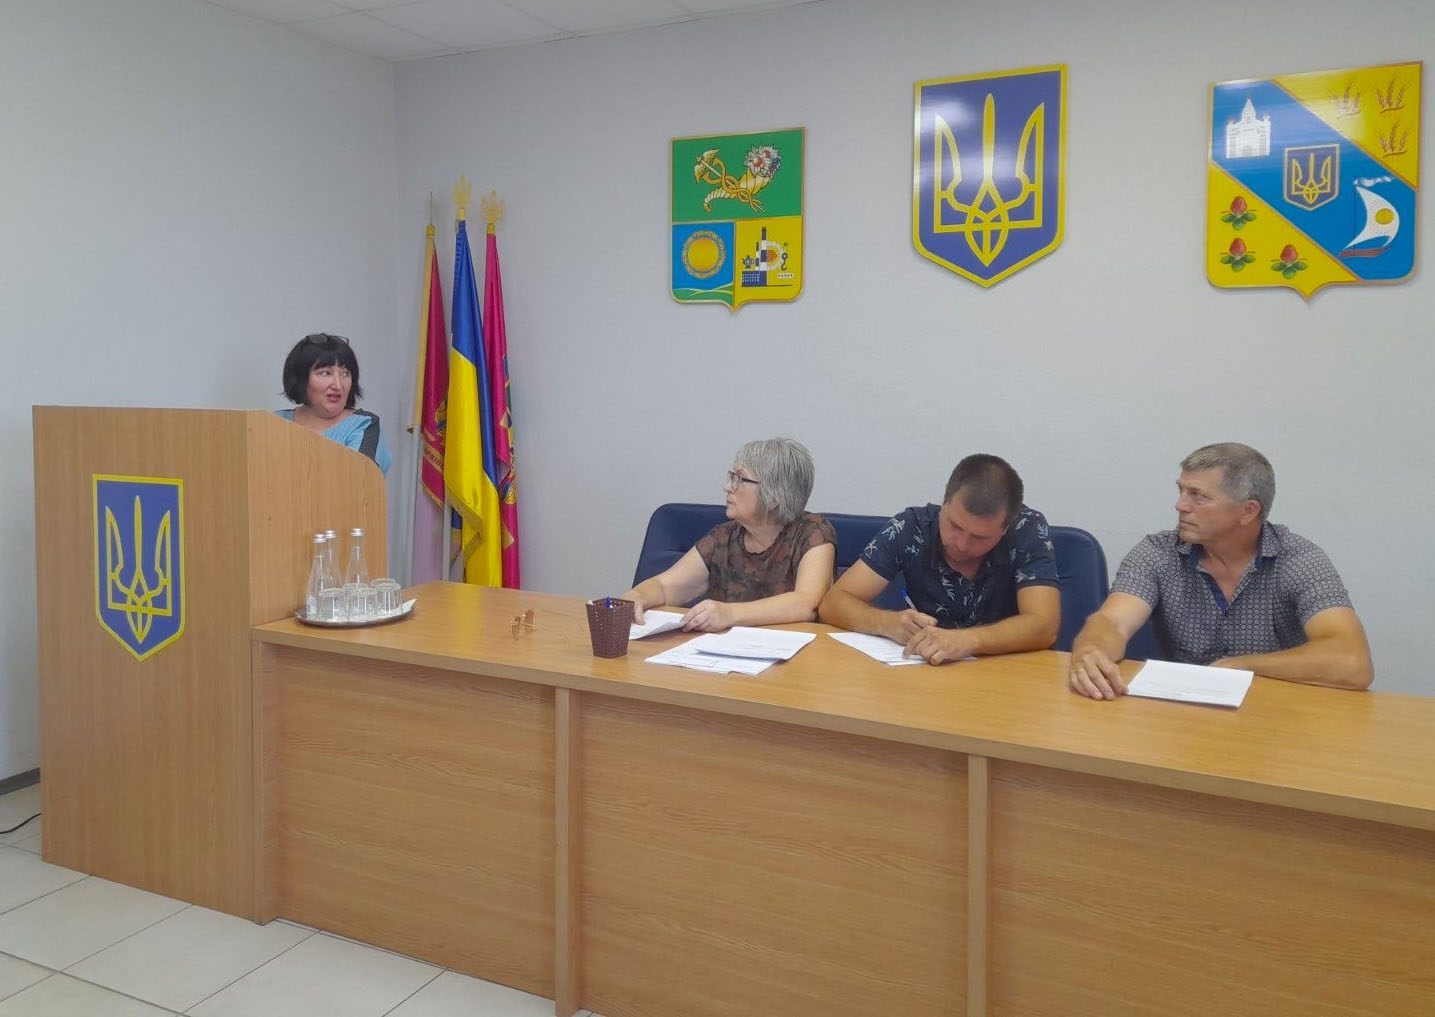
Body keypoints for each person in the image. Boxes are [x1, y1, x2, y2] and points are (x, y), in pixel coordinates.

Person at [1069, 443, 1373, 699]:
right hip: (1183, 714)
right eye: (1181, 491)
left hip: (1280, 712)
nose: (1180, 505)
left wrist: (1238, 667)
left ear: (1248, 511)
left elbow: (1352, 661)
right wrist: (1091, 649)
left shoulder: (1299, 560)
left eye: (1198, 496)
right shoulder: (1158, 553)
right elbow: (1111, 622)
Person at [819, 454, 1060, 665]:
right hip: (927, 673)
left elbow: (1045, 626)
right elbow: (833, 603)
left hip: (1006, 674)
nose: (962, 544)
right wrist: (887, 623)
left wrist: (967, 640)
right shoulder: (911, 528)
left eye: (980, 537)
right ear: (944, 502)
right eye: (954, 526)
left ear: (1006, 528)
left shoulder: (1026, 530)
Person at [621, 438, 836, 632]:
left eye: (740, 479)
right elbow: (665, 586)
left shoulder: (812, 533)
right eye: (732, 477)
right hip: (725, 655)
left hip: (796, 656)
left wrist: (730, 613)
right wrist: (636, 596)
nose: (727, 487)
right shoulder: (723, 537)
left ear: (775, 497)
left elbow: (806, 604)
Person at [277, 333, 391, 475]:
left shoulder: (364, 425)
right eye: (325, 373)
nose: (338, 385)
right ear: (301, 379)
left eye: (345, 374)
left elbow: (357, 482)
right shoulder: (275, 422)